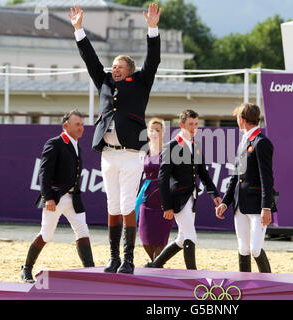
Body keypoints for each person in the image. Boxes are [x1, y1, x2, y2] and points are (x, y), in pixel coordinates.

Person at [68, 3, 161, 274]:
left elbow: (153, 59)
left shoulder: (141, 82)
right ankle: (113, 257)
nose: (114, 69)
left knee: (127, 205)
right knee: (112, 205)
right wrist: (79, 30)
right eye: (114, 66)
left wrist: (152, 28)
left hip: (131, 153)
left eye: (120, 67)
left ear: (130, 70)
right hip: (108, 153)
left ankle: (129, 259)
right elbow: (90, 59)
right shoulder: (105, 82)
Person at [20, 110, 94, 283]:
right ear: (66, 126)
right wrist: (48, 198)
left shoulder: (76, 145)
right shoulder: (55, 143)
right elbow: (44, 173)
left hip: (74, 198)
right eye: (77, 124)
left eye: (82, 125)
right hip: (56, 198)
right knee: (46, 234)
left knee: (83, 231)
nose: (81, 128)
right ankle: (26, 269)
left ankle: (90, 272)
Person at [145, 109, 222, 270]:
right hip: (178, 199)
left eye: (196, 124)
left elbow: (203, 173)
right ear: (181, 125)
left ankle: (155, 264)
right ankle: (192, 274)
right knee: (190, 236)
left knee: (181, 238)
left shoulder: (196, 146)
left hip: (192, 197)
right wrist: (167, 206)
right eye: (190, 124)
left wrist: (213, 193)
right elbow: (163, 178)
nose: (194, 127)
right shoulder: (170, 146)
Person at [215, 103, 274, 273]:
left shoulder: (261, 142)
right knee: (243, 249)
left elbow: (267, 177)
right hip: (240, 205)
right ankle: (244, 287)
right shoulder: (244, 141)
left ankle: (268, 286)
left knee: (255, 249)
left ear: (242, 120)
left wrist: (266, 206)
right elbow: (235, 176)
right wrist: (225, 203)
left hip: (257, 206)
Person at [136, 118, 175, 261]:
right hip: (146, 196)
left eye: (158, 130)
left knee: (162, 237)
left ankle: (156, 265)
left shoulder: (168, 151)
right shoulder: (143, 151)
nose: (154, 133)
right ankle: (154, 263)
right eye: (151, 130)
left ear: (163, 132)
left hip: (163, 196)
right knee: (144, 236)